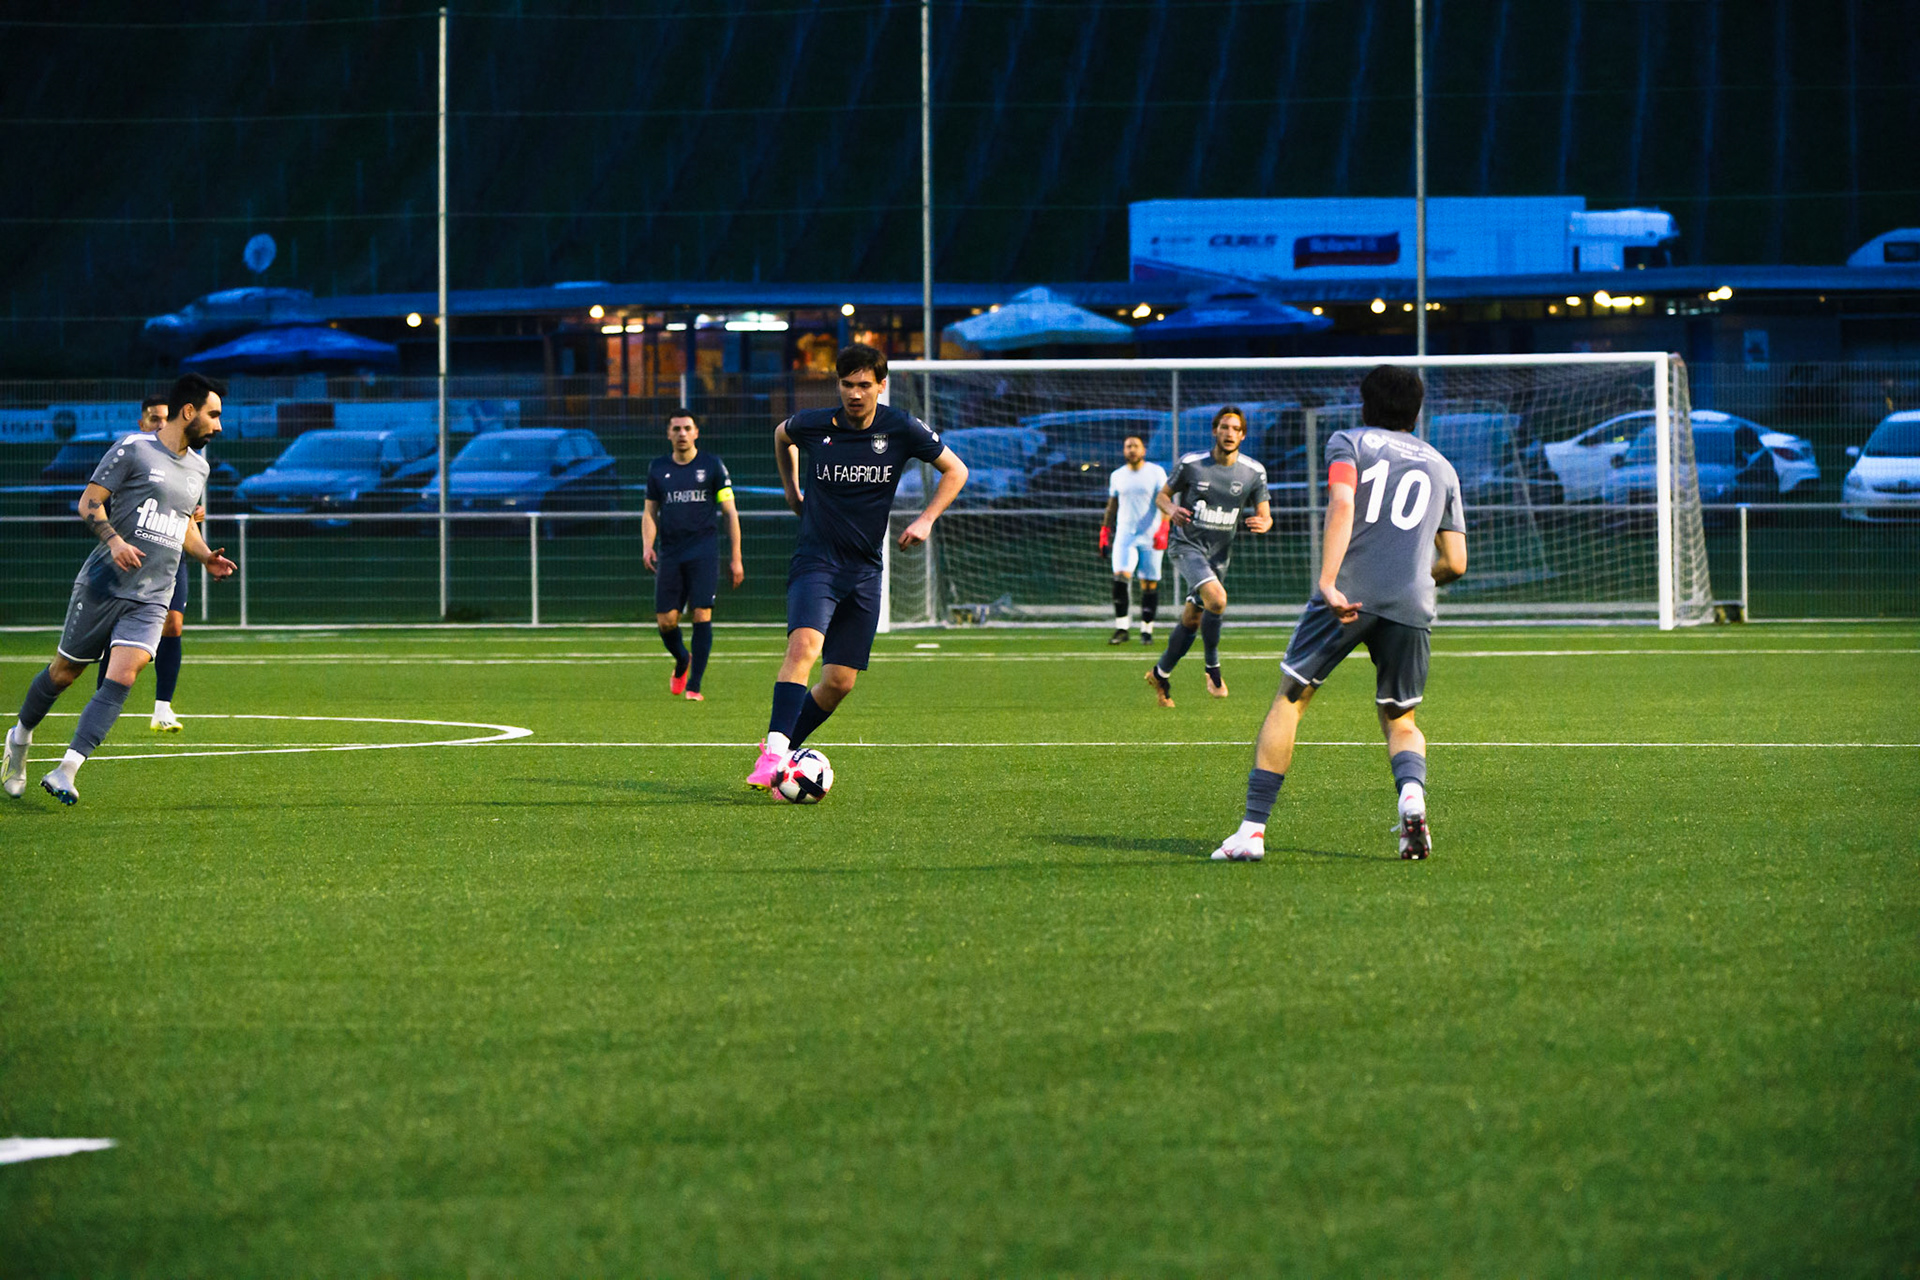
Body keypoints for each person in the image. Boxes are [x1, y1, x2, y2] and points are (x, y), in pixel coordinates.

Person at [1211, 365, 1467, 863]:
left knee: (1290, 699)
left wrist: (1329, 581)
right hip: (1411, 603)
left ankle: (1252, 832)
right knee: (1400, 716)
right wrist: (1411, 580)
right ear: (1416, 412)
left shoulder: (1350, 441)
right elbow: (1456, 562)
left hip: (1346, 596)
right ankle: (1411, 795)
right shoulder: (1442, 466)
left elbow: (1343, 501)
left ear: (1365, 404)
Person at [3, 374, 237, 805]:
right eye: (213, 414)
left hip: (152, 595)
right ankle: (19, 739)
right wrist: (114, 541)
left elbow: (183, 522)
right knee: (63, 674)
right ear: (189, 411)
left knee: (124, 675)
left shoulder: (200, 467)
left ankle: (66, 770)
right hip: (105, 584)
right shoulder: (134, 449)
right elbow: (88, 502)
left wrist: (205, 556)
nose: (218, 425)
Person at [746, 343, 969, 788]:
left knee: (840, 682)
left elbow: (956, 470)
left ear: (881, 386)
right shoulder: (815, 425)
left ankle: (786, 746)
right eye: (847, 384)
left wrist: (926, 519)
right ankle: (771, 758)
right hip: (817, 562)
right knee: (804, 647)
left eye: (864, 385)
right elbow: (781, 434)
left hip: (865, 569)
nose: (855, 394)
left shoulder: (902, 428)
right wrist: (792, 492)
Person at [1144, 406, 1271, 707]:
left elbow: (1266, 515)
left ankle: (1160, 674)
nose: (1229, 434)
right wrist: (1172, 509)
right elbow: (1162, 496)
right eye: (1224, 427)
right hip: (1186, 545)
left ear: (1243, 435)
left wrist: (1264, 523)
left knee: (1193, 617)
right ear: (1214, 431)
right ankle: (1212, 669)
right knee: (1218, 599)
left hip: (1219, 556)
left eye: (1236, 429)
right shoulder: (1191, 464)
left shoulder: (1254, 472)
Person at [96, 394, 200, 732]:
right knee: (114, 630)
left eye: (165, 418)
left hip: (170, 558)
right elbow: (102, 500)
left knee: (174, 624)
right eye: (154, 418)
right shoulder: (133, 452)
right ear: (142, 423)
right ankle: (101, 703)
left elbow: (187, 515)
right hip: (130, 555)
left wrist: (199, 535)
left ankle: (162, 709)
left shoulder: (191, 462)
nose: (160, 424)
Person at [642, 409, 744, 701]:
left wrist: (736, 557)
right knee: (666, 621)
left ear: (696, 432)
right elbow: (650, 511)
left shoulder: (712, 466)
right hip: (671, 552)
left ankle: (694, 686)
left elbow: (730, 512)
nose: (682, 434)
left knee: (701, 613)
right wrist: (648, 545)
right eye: (676, 429)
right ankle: (682, 659)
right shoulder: (658, 468)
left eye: (687, 428)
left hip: (703, 551)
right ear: (668, 434)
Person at [1100, 433, 1169, 645]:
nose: (1132, 449)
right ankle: (1122, 628)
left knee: (1148, 583)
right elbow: (1112, 505)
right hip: (1125, 536)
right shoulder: (1117, 475)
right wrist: (1105, 530)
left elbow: (1165, 500)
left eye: (1135, 446)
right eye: (1128, 446)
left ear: (1143, 450)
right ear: (1124, 451)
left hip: (1151, 535)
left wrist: (1164, 528)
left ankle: (1146, 630)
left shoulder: (1156, 472)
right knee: (1120, 577)